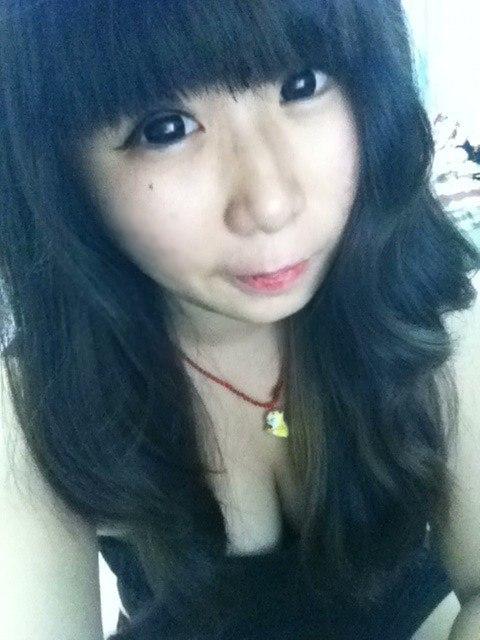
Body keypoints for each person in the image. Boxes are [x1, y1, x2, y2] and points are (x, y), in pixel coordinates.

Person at [0, 1, 479, 639]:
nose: (271, 204)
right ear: (60, 174)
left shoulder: (427, 302)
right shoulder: (39, 401)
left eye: (302, 84)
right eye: (166, 128)